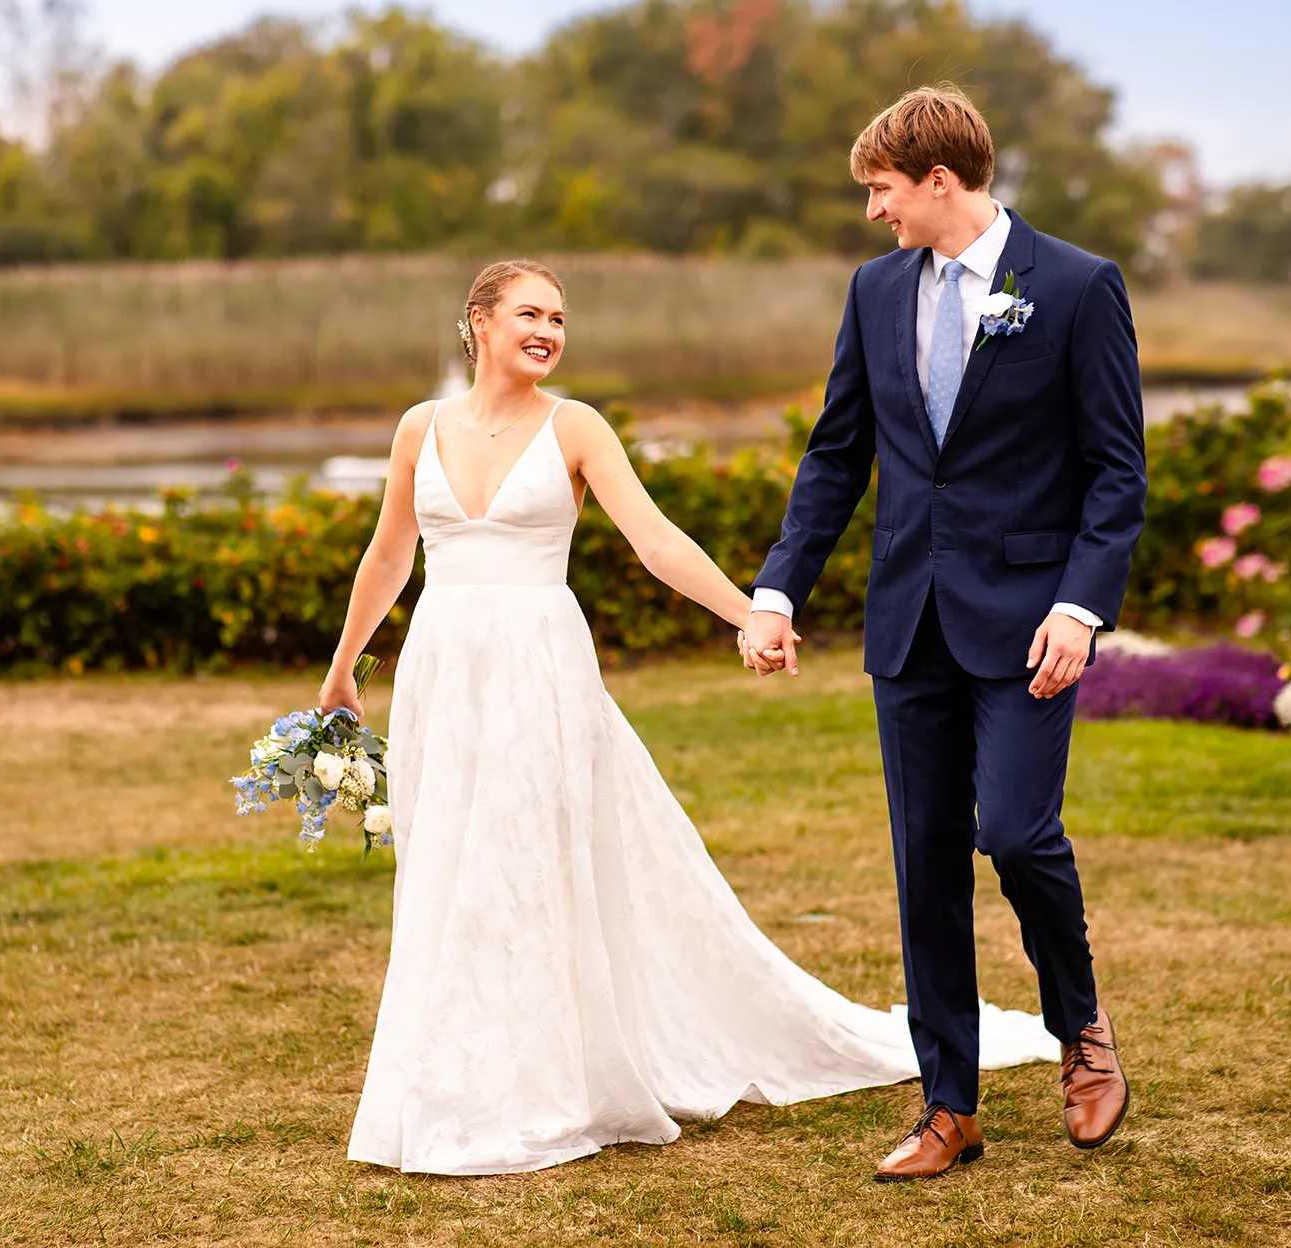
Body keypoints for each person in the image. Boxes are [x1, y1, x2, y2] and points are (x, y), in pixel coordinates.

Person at [319, 258, 1056, 1176]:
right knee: (447, 865)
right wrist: (345, 665)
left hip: (540, 666)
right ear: (477, 321)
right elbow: (390, 552)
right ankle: (447, 1074)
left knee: (526, 856)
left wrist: (750, 611)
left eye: (560, 316)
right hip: (443, 668)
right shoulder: (418, 428)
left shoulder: (575, 427)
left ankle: (541, 1079)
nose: (548, 330)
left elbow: (654, 539)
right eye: (529, 313)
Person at [739, 84, 1148, 1180]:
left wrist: (1079, 603)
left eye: (881, 189)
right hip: (905, 622)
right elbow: (836, 456)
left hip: (1030, 626)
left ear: (938, 180)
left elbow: (1116, 471)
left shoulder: (1074, 285)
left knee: (1015, 833)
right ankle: (949, 1105)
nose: (873, 212)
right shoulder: (874, 293)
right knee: (925, 866)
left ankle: (1083, 1029)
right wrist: (779, 589)